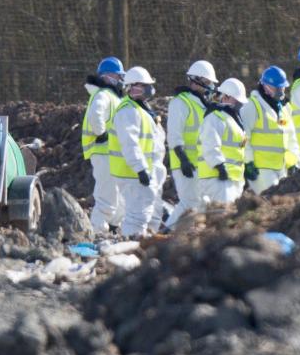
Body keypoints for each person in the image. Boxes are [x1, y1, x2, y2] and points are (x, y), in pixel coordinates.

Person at [108, 66, 166, 237]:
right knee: (137, 216)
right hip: (133, 173)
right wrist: (140, 168)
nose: (149, 88)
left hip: (144, 171)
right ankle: (131, 247)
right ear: (132, 87)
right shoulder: (128, 111)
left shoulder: (142, 109)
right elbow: (130, 144)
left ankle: (145, 245)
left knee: (150, 214)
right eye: (144, 84)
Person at [164, 60, 217, 229]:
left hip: (199, 164)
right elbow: (174, 134)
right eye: (208, 82)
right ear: (197, 81)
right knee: (189, 202)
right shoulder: (181, 102)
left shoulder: (202, 105)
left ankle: (181, 234)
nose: (211, 87)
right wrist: (183, 160)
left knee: (201, 203)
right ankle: (168, 232)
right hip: (185, 163)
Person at [81, 56, 125, 234]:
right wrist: (102, 134)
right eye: (117, 75)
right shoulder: (103, 95)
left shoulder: (112, 96)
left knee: (117, 193)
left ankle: (114, 226)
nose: (120, 80)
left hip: (112, 152)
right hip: (103, 151)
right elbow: (95, 115)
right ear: (107, 76)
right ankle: (97, 230)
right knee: (107, 195)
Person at [241, 66, 300, 194]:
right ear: (265, 86)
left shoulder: (284, 110)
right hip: (261, 169)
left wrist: (293, 162)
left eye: (282, 87)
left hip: (281, 169)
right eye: (276, 88)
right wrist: (248, 162)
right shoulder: (252, 106)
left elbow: (291, 138)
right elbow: (243, 137)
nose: (281, 91)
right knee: (269, 202)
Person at [198, 77, 248, 204]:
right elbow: (210, 144)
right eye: (236, 100)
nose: (239, 104)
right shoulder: (215, 117)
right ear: (225, 97)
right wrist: (219, 166)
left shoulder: (234, 120)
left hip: (232, 178)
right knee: (221, 216)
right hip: (217, 178)